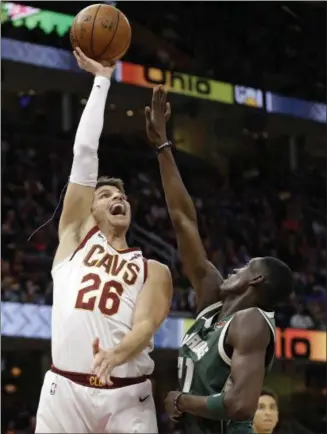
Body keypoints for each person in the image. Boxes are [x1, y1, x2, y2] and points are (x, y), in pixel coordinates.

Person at [35, 50, 173, 434]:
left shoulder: (153, 269)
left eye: (122, 197)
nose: (117, 199)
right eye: (106, 196)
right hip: (64, 390)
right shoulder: (75, 238)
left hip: (127, 395)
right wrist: (102, 81)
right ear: (90, 211)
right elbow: (84, 153)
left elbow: (145, 325)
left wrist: (116, 354)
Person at [144, 86, 293, 434]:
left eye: (245, 268)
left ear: (255, 281)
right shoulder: (212, 298)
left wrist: (181, 400)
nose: (235, 269)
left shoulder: (252, 323)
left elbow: (240, 404)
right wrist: (163, 147)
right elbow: (183, 220)